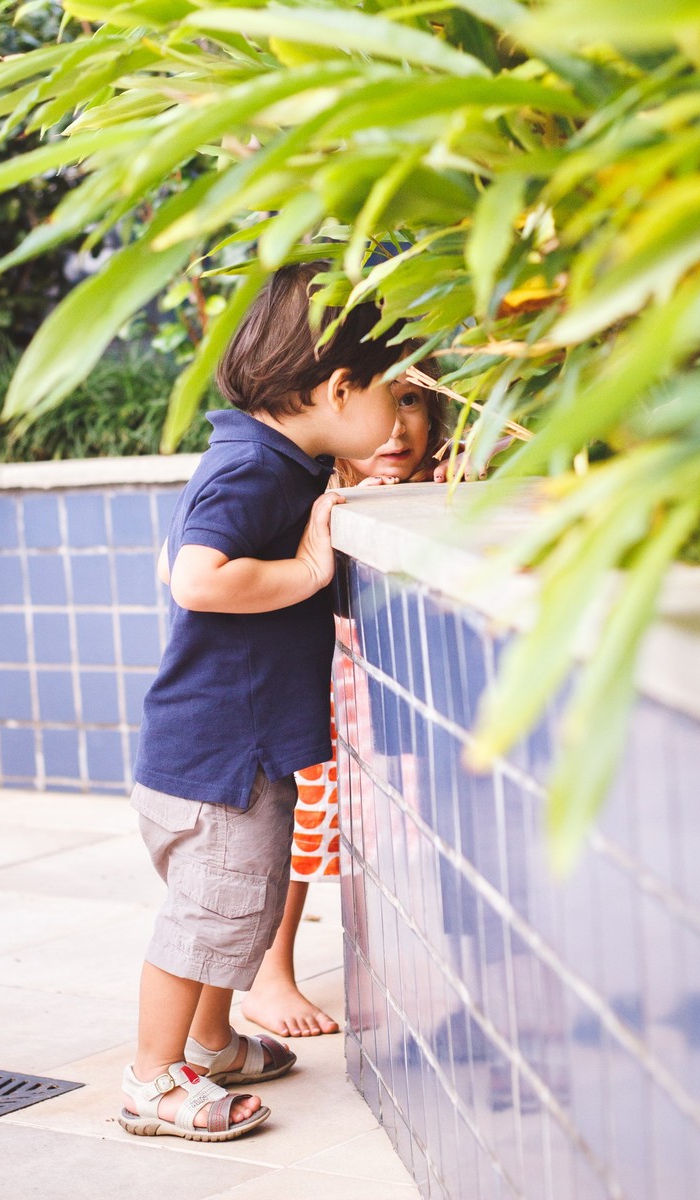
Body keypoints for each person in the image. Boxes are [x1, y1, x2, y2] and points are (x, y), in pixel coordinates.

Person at [120, 261, 411, 1142]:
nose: (400, 419)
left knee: (235, 913)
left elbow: (177, 557)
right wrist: (311, 571)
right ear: (339, 386)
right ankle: (151, 1079)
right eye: (395, 397)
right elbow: (199, 579)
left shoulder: (263, 457)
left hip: (229, 749)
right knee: (206, 919)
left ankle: (211, 1045)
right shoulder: (251, 466)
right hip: (221, 758)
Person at [242, 370, 450, 1038]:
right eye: (382, 403)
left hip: (393, 690)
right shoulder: (311, 488)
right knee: (301, 817)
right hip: (318, 681)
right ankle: (270, 972)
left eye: (412, 402)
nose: (396, 425)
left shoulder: (445, 486)